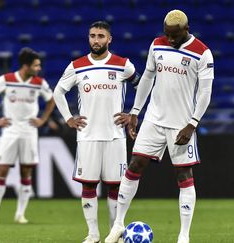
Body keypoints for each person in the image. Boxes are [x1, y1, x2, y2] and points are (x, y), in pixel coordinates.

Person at [105, 10, 214, 243]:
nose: (171, 39)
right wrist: (135, 112)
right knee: (134, 165)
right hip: (154, 119)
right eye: (168, 34)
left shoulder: (202, 53)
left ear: (187, 29)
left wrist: (192, 123)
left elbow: (205, 92)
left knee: (184, 174)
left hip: (181, 123)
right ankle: (117, 225)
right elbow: (147, 77)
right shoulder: (157, 44)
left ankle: (184, 235)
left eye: (175, 35)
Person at [53, 21, 140, 243]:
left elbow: (143, 86)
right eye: (92, 35)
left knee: (115, 185)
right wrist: (68, 118)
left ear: (109, 39)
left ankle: (115, 232)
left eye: (101, 36)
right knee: (88, 184)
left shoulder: (123, 64)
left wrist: (133, 113)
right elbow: (58, 92)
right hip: (88, 135)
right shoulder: (77, 65)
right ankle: (93, 235)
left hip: (115, 136)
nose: (96, 40)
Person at [0, 47, 55, 224]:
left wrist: (43, 119)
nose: (38, 68)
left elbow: (52, 100)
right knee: (2, 170)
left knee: (26, 171)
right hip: (10, 130)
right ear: (26, 65)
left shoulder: (39, 82)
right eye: (36, 65)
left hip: (30, 131)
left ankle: (20, 214)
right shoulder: (6, 80)